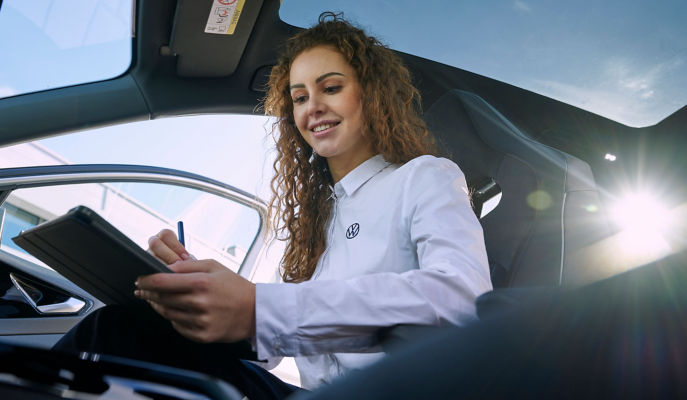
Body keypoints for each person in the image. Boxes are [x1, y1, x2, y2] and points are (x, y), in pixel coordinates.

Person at [54, 12, 492, 399]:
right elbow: (271, 345)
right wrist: (198, 296)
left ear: (372, 95)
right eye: (299, 97)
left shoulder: (424, 177)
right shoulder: (317, 220)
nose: (313, 107)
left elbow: (460, 299)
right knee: (121, 328)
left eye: (331, 88)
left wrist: (259, 308)